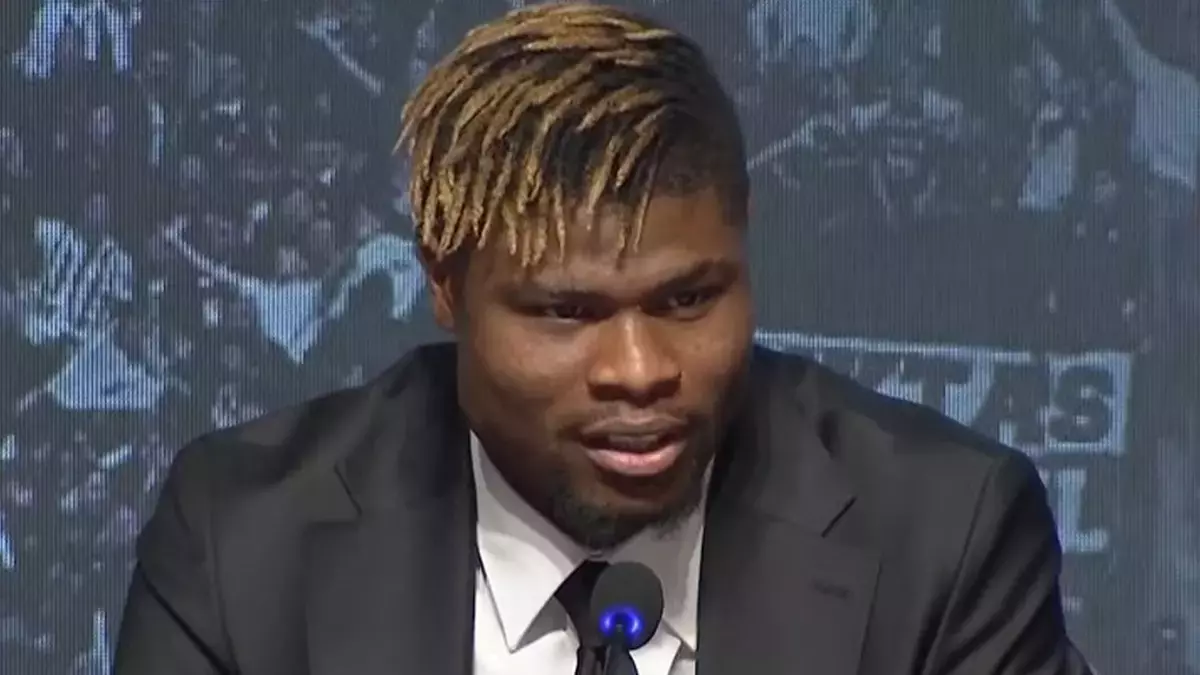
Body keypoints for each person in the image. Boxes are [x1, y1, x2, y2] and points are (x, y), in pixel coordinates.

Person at [112, 4, 1094, 674]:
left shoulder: (944, 537)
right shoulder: (243, 541)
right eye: (566, 313)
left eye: (688, 299)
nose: (640, 370)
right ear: (445, 285)